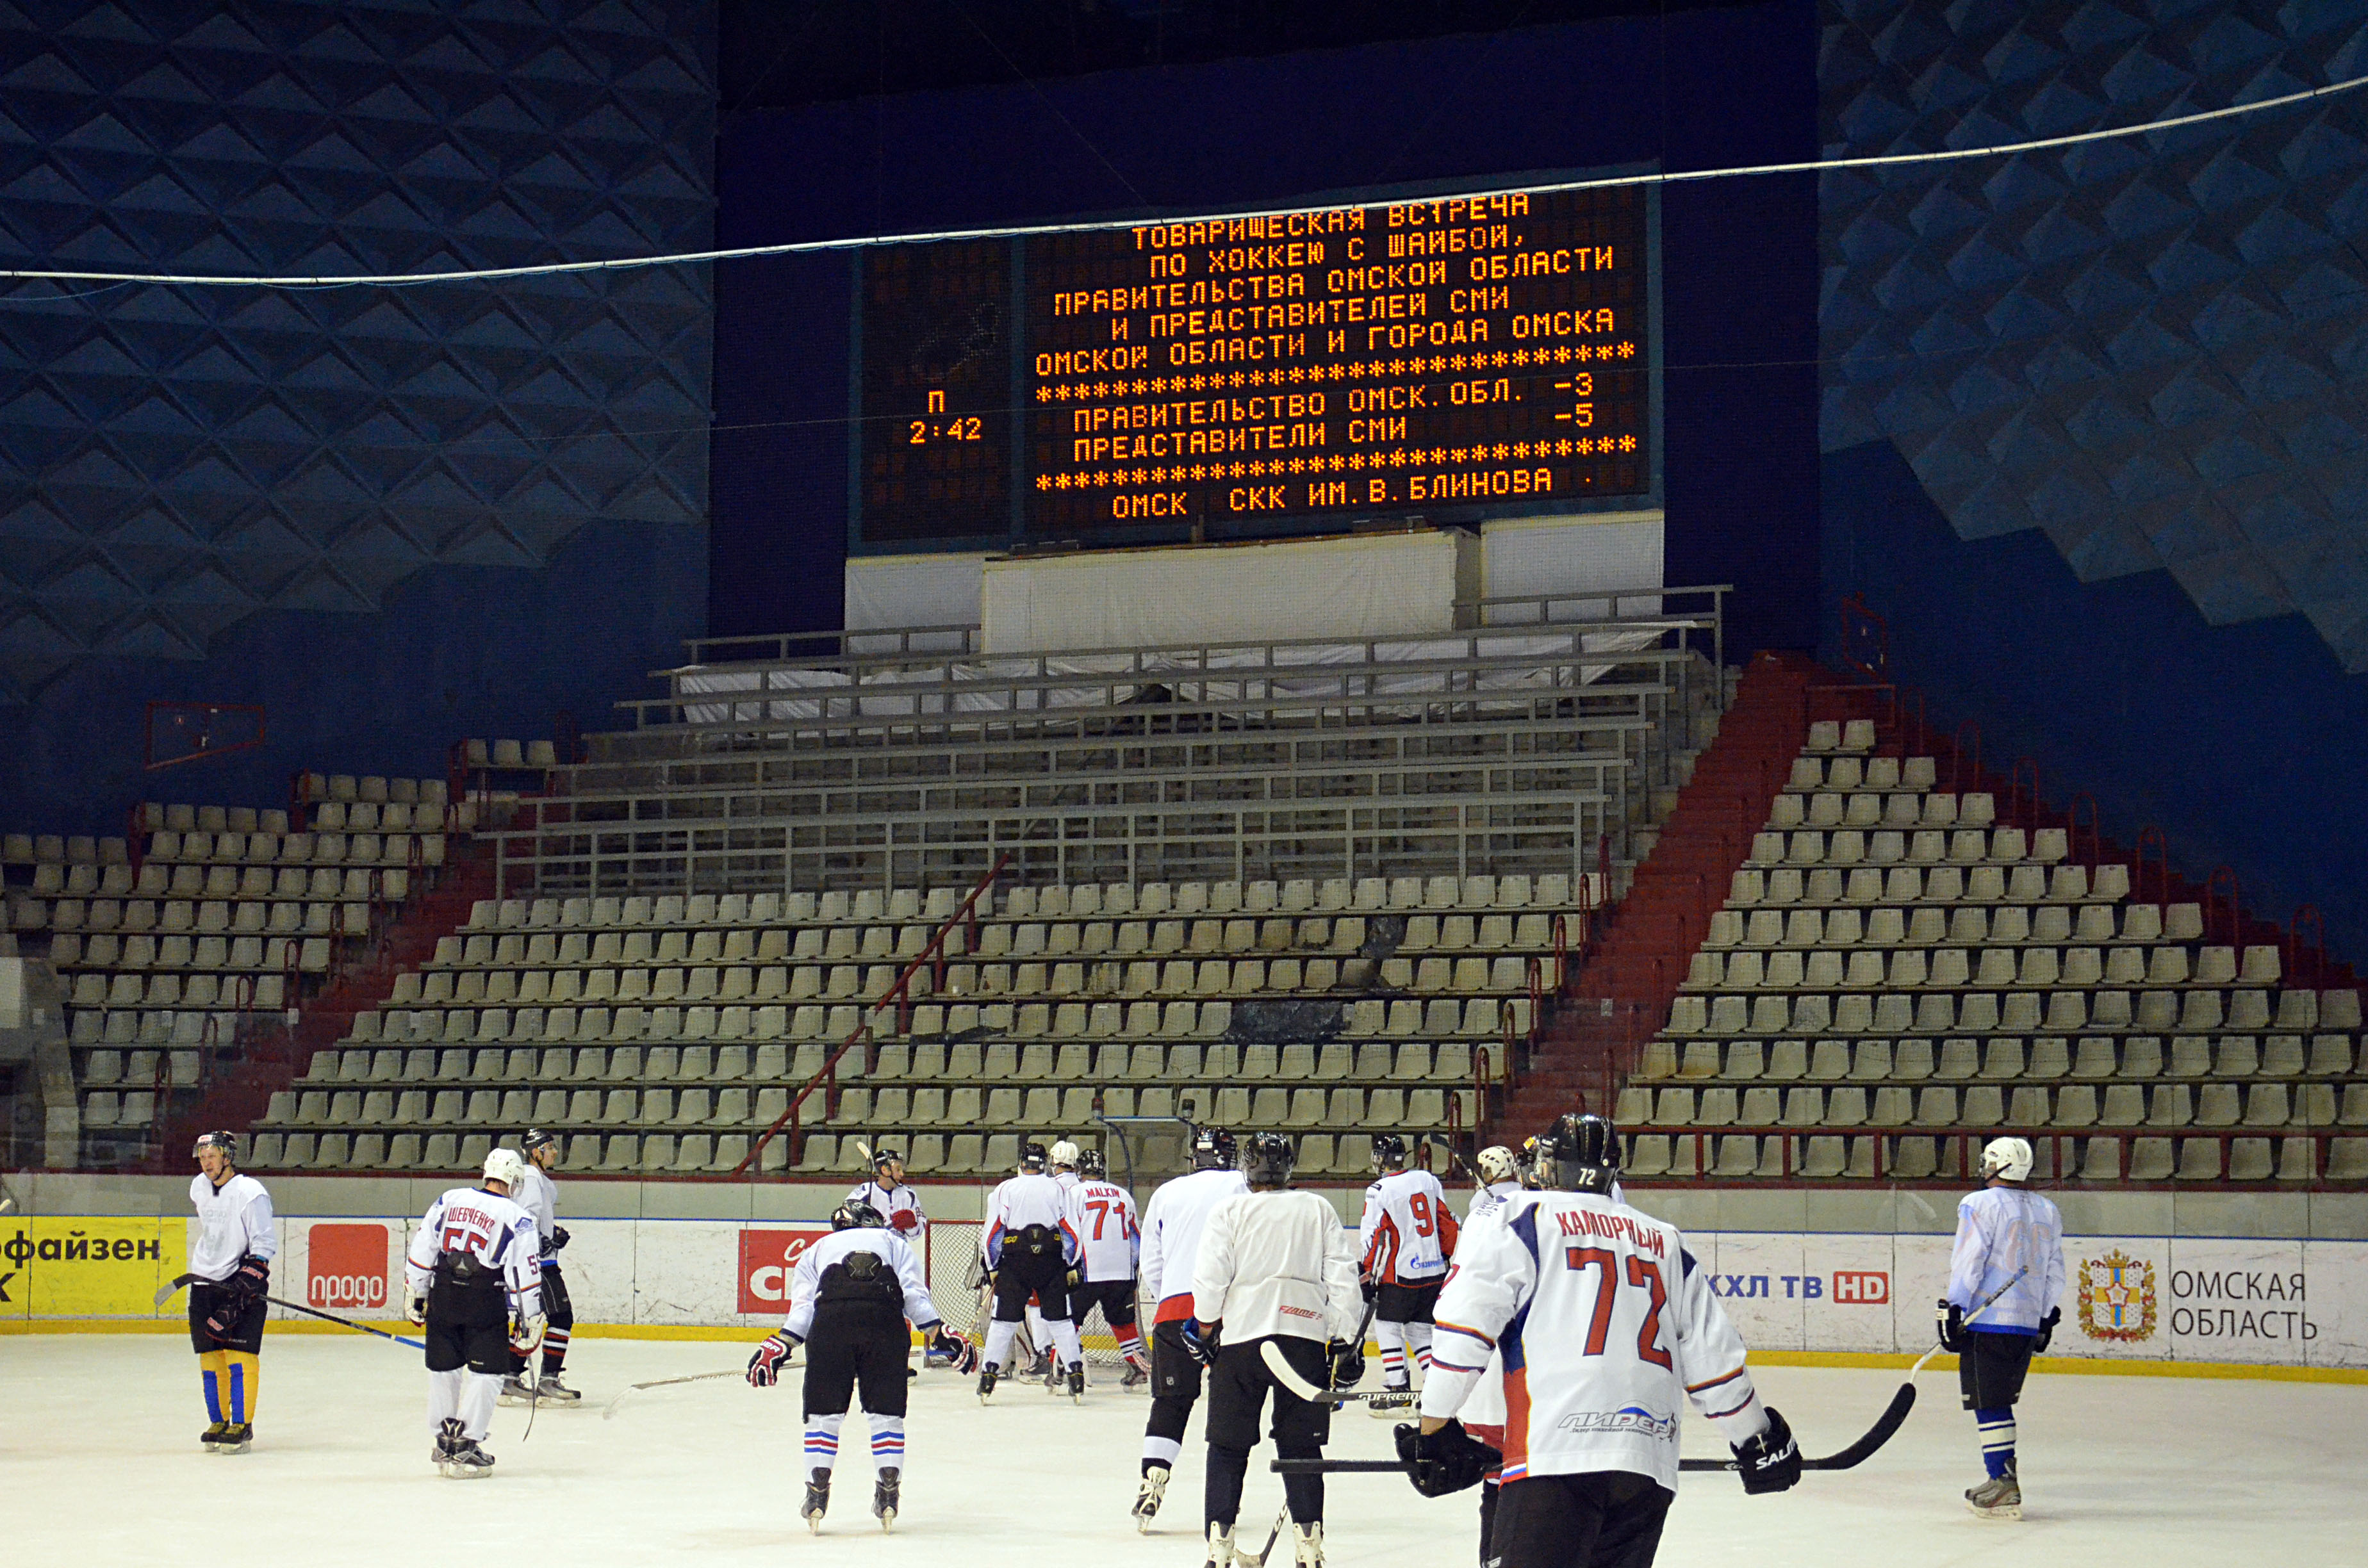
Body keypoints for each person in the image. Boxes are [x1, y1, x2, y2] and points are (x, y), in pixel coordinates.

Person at [1404, 1113, 1800, 1568]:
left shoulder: (1517, 1218)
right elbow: (1716, 1363)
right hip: (1646, 1468)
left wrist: (1433, 1429)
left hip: (1555, 1456)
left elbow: (1463, 1329)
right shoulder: (1666, 1241)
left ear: (1552, 1167)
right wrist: (1757, 1440)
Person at [1190, 1131, 1363, 1568]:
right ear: (1289, 1167)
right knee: (1302, 1448)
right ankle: (1309, 1548)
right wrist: (1344, 1343)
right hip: (1302, 1341)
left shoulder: (1230, 1210)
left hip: (1242, 1342)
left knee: (1227, 1447)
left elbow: (1210, 1280)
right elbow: (1342, 1279)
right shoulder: (1316, 1208)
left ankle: (1219, 1546)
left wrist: (1208, 1329)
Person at [746, 1199, 969, 1533]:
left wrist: (783, 1342)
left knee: (824, 1416)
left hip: (831, 1325)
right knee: (887, 1416)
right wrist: (938, 1332)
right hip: (885, 1324)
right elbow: (912, 1296)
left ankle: (817, 1492)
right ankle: (889, 1491)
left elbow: (805, 1308)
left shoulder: (818, 1248)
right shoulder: (893, 1243)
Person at [1937, 1135, 2065, 1521]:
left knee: (1989, 1402)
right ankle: (2000, 1477)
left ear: (1998, 1166)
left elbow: (1970, 1260)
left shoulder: (1978, 1203)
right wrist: (2044, 1316)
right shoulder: (2048, 1208)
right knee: (1998, 1400)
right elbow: (2055, 1270)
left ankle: (2003, 1483)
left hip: (1987, 1321)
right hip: (2025, 1322)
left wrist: (1954, 1307)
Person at [1131, 1125, 1248, 1530]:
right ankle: (1223, 1508)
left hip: (1174, 1309)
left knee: (1171, 1403)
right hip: (1230, 1312)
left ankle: (1153, 1477)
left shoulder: (1166, 1192)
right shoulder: (1243, 1185)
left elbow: (1152, 1261)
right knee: (1233, 1405)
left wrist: (1174, 1299)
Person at [403, 1148, 546, 1478]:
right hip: (486, 1300)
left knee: (444, 1368)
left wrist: (416, 1291)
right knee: (489, 1374)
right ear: (514, 1180)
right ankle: (466, 1444)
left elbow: (424, 1247)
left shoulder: (449, 1199)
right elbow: (525, 1274)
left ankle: (444, 1441)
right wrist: (531, 1318)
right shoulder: (517, 1218)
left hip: (444, 1295)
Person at [186, 1130, 275, 1453]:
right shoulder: (199, 1187)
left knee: (239, 1357)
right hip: (203, 1283)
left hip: (239, 1284)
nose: (206, 1163)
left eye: (212, 1157)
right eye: (203, 1157)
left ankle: (242, 1424)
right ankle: (218, 1420)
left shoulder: (250, 1192)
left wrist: (247, 1282)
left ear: (227, 1157)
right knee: (210, 1358)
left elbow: (264, 1244)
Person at [977, 1141, 1085, 1402]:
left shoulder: (1006, 1189)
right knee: (1060, 1321)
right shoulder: (1058, 1189)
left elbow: (992, 1234)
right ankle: (1075, 1375)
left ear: (1022, 1164)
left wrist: (992, 1267)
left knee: (1003, 1322)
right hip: (1051, 1262)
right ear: (1044, 1164)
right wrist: (1072, 1264)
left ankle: (988, 1375)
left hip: (1016, 1262)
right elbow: (1071, 1231)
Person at [1360, 1133, 1457, 1413]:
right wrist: (1444, 1257)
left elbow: (1374, 1237)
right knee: (1420, 1330)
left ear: (1381, 1159)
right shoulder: (1429, 1180)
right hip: (1435, 1272)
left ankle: (1397, 1387)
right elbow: (1447, 1223)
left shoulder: (1378, 1190)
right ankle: (1435, 1387)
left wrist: (1369, 1272)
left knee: (1388, 1327)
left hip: (1401, 1274)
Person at [500, 1128, 577, 1405]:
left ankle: (508, 1377)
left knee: (529, 1319)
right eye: (549, 1147)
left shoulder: (533, 1178)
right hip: (539, 1263)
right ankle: (547, 1380)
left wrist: (551, 1233)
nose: (555, 1152)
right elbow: (527, 1216)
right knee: (561, 1317)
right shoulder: (532, 1177)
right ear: (536, 1153)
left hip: (534, 1259)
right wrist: (543, 1241)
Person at [1065, 1146, 1149, 1388]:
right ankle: (1139, 1369)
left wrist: (1066, 1264)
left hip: (1087, 1270)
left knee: (1068, 1321)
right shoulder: (1123, 1195)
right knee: (1123, 1323)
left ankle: (1062, 1368)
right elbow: (1136, 1238)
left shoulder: (1074, 1193)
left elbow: (1069, 1233)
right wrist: (1132, 1272)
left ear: (1080, 1170)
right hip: (1121, 1273)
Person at [1025, 1139, 1088, 1384]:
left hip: (1053, 1258)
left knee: (1038, 1305)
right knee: (1069, 1311)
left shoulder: (1050, 1187)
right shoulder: (1086, 1187)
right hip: (1083, 1259)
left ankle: (1044, 1354)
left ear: (1052, 1161)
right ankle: (1071, 1353)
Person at [844, 1145, 929, 1241]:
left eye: (902, 1169)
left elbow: (916, 1235)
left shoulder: (909, 1195)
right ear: (884, 1170)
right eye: (898, 1169)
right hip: (873, 1252)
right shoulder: (865, 1192)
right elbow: (845, 1222)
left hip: (899, 1252)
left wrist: (912, 1225)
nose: (902, 1174)